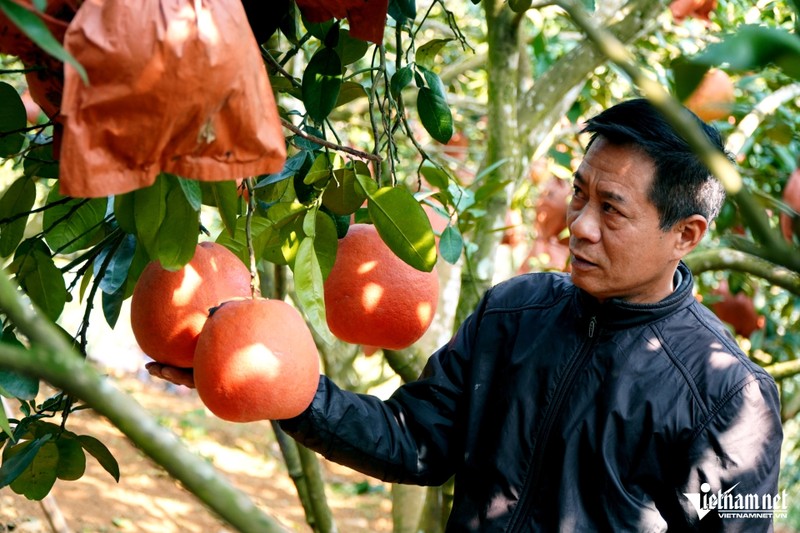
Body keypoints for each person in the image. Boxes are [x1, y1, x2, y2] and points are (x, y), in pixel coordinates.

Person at [148, 98, 783, 532]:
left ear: (687, 233)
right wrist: (291, 395)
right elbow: (417, 441)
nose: (580, 226)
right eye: (580, 194)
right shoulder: (517, 312)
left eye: (611, 210)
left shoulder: (730, 396)